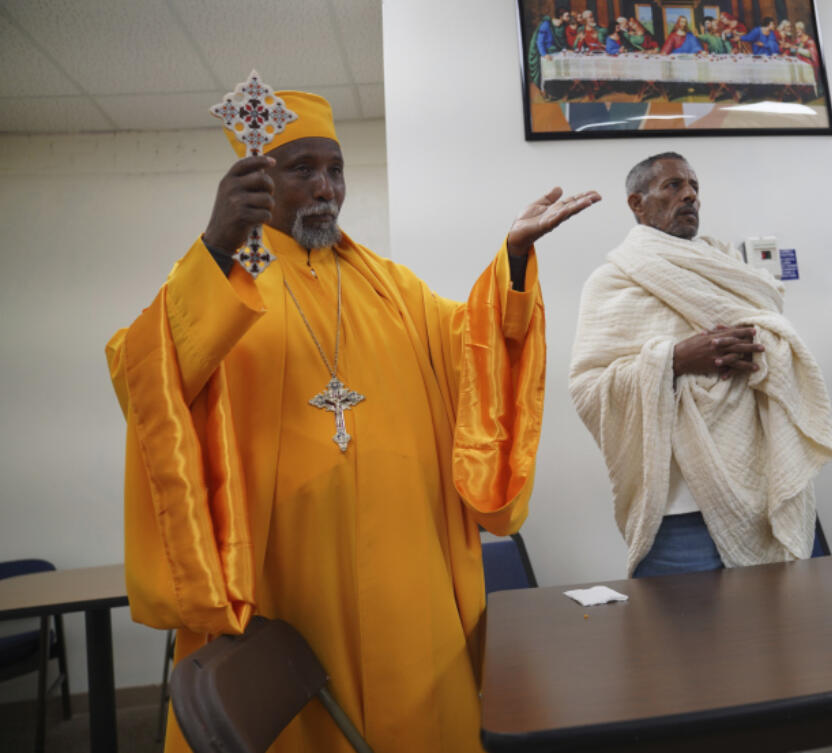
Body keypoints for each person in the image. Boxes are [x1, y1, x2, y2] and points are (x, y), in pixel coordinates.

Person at [106, 91, 600, 753]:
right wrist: (215, 246)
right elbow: (146, 372)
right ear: (257, 179)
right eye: (301, 168)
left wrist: (510, 260)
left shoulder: (388, 284)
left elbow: (470, 345)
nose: (324, 186)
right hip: (290, 574)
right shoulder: (223, 277)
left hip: (409, 568)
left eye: (335, 169)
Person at [569, 152, 832, 577]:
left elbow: (776, 338)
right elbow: (587, 387)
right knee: (682, 642)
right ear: (637, 204)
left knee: (784, 635)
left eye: (694, 186)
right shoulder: (613, 280)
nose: (690, 195)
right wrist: (673, 359)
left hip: (763, 486)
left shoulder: (729, 267)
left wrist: (760, 348)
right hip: (679, 512)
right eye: (673, 186)